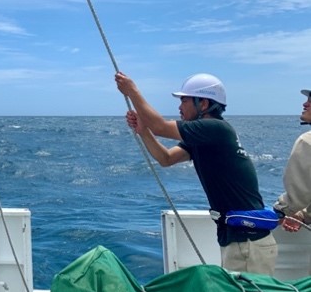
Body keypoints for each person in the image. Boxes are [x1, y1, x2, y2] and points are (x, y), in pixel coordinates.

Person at [115, 72, 277, 275]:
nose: (179, 106)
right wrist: (143, 131)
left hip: (247, 243)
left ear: (204, 104)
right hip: (240, 241)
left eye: (184, 100)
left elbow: (159, 126)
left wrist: (132, 91)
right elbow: (166, 158)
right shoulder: (205, 137)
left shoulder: (215, 128)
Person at [273, 88, 311, 236]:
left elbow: (298, 198)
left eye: (310, 100)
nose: (305, 104)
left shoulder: (307, 141)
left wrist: (298, 215)